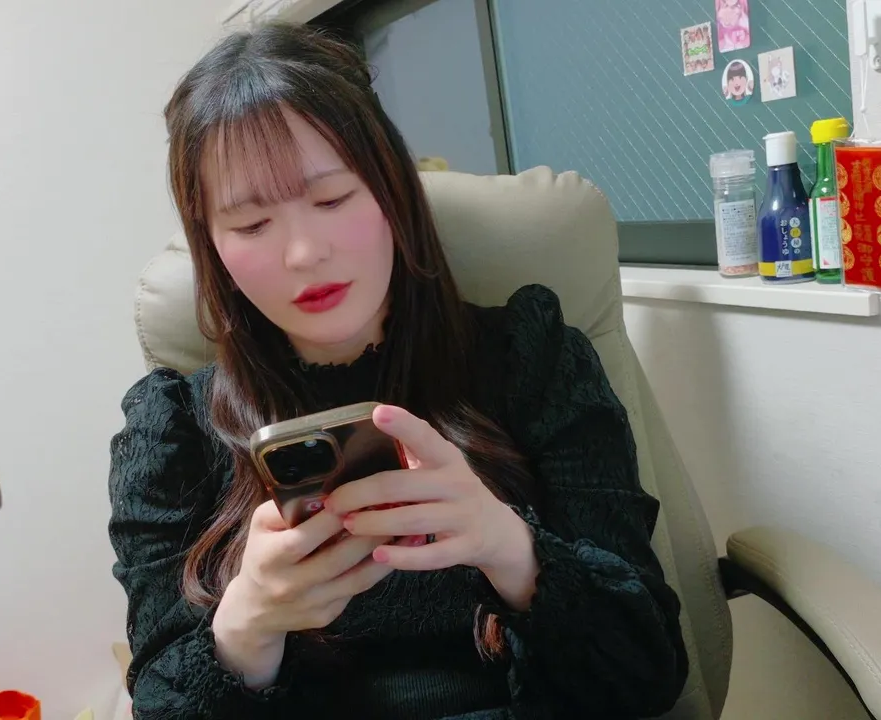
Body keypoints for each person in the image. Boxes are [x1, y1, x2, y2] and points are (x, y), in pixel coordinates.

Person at [107, 21, 689, 720]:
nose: (304, 253)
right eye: (252, 225)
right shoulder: (173, 430)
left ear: (392, 192)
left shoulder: (531, 359)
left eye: (332, 200)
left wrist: (510, 547)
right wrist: (247, 628)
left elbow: (649, 674)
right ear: (212, 247)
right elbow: (159, 701)